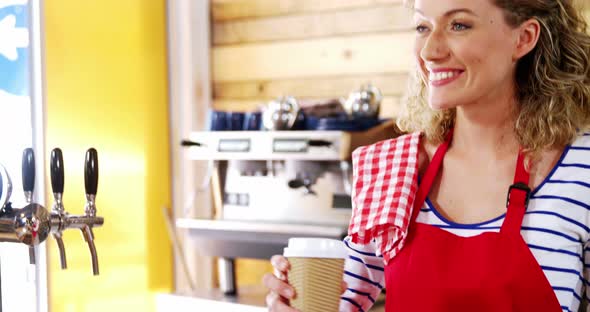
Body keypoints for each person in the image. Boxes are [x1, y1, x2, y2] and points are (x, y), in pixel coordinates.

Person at [263, 0, 590, 310]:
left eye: (459, 25)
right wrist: (292, 297)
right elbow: (339, 302)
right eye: (422, 27)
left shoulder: (580, 167)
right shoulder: (394, 167)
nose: (431, 51)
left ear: (524, 38)